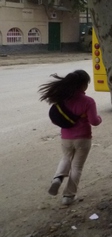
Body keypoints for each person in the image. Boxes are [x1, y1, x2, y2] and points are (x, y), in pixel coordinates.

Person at [38, 70, 102, 206]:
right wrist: (99, 119)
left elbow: (55, 119)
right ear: (83, 85)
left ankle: (57, 178)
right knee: (77, 167)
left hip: (66, 137)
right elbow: (94, 121)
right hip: (83, 138)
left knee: (66, 158)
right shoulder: (88, 101)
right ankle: (68, 196)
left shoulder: (62, 100)